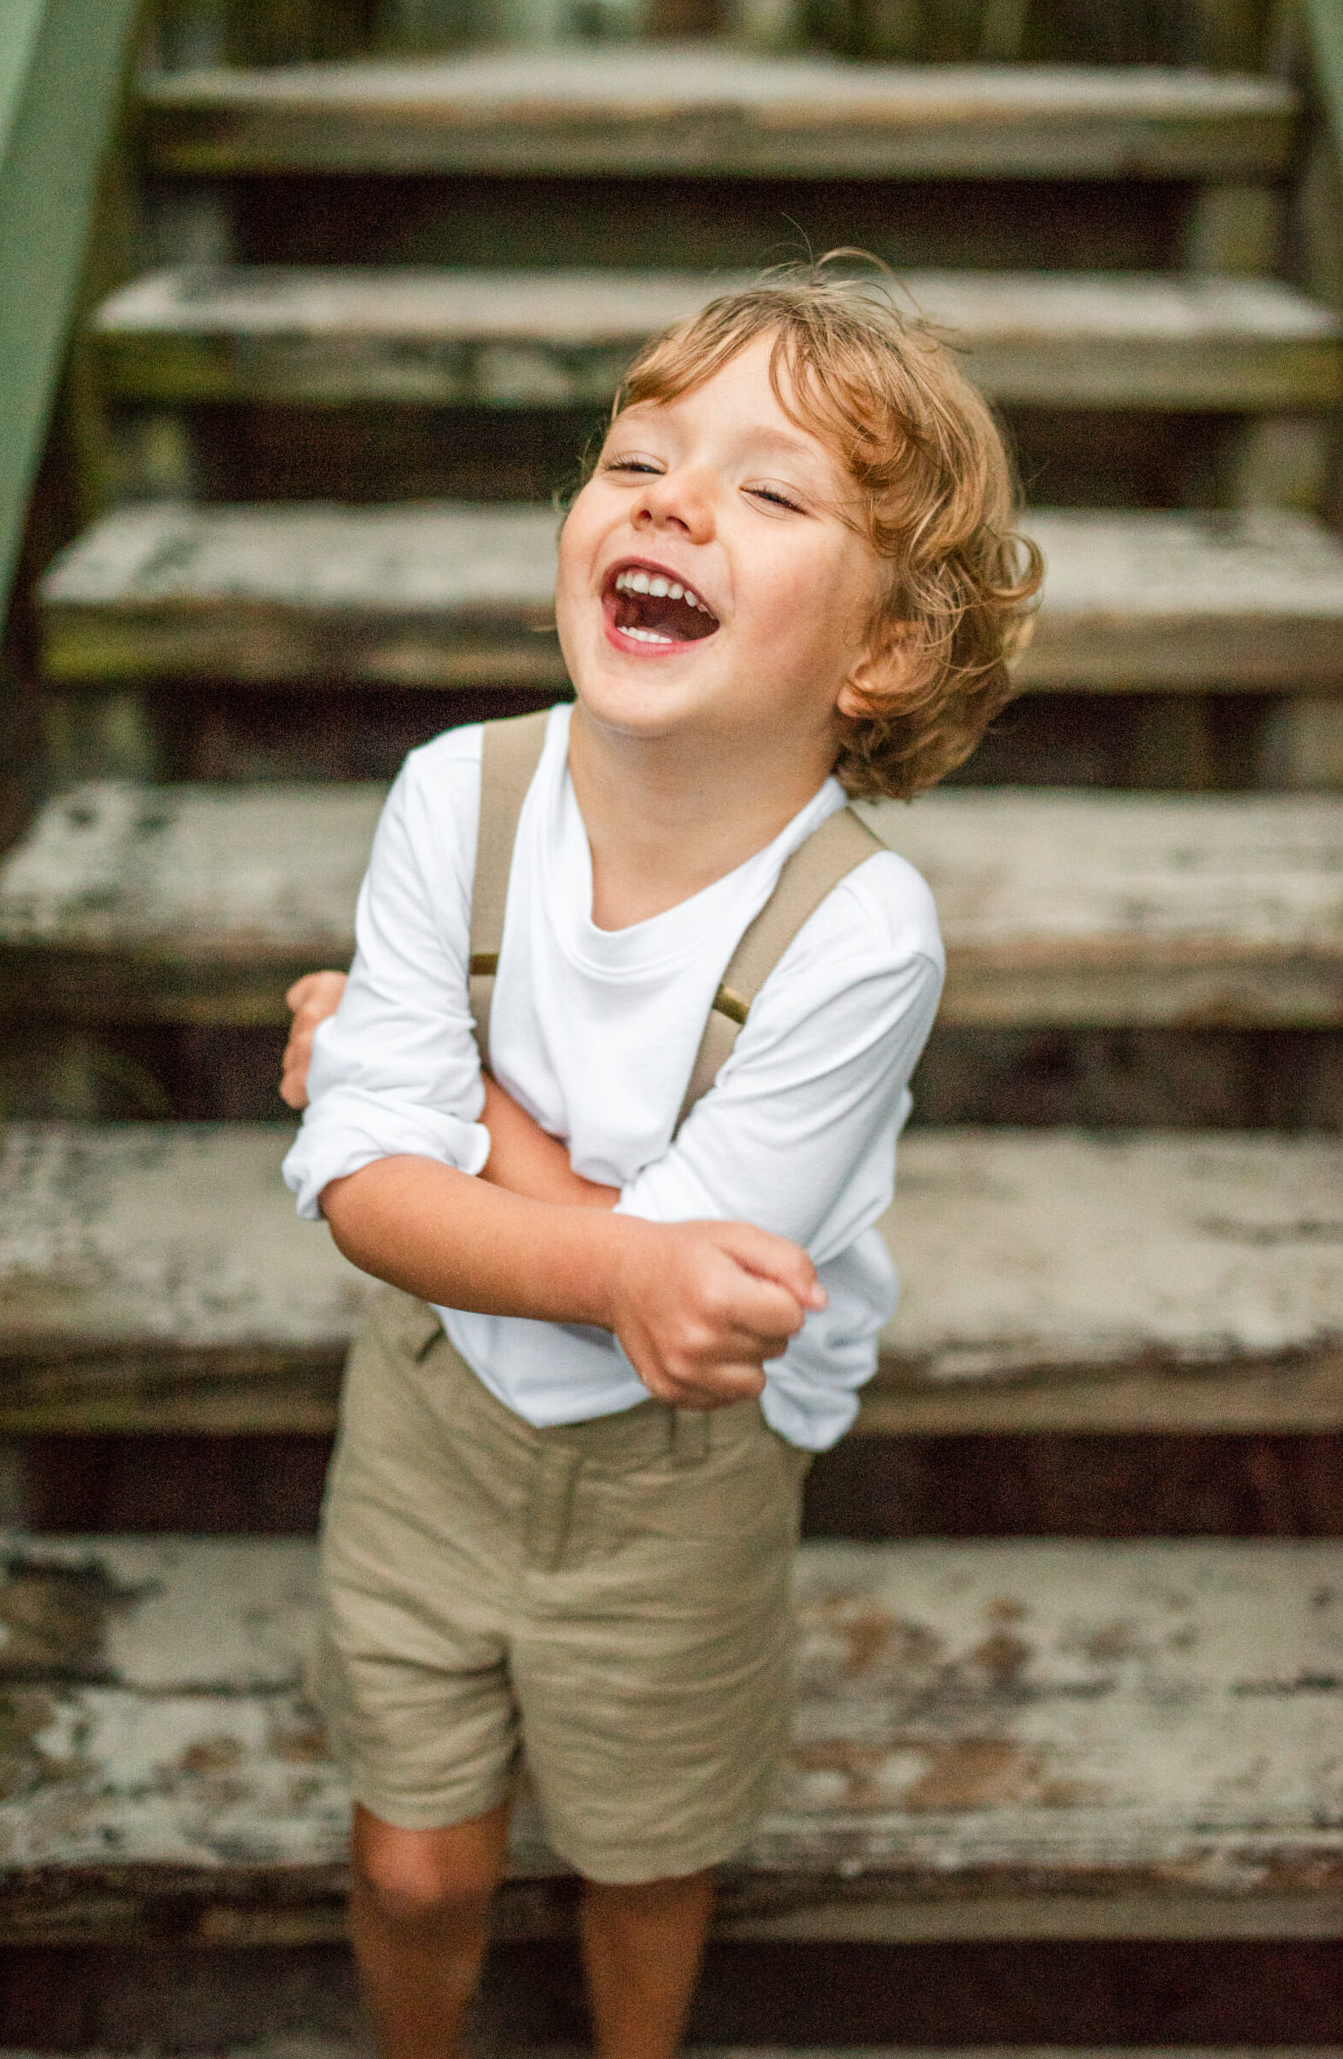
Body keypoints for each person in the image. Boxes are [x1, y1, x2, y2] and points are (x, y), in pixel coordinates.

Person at [279, 267, 1039, 2059]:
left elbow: (696, 1303)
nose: (672, 502)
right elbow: (360, 1199)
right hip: (430, 1415)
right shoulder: (451, 797)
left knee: (647, 1853)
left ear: (884, 653)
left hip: (684, 1481)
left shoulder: (862, 935)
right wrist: (589, 1241)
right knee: (410, 1865)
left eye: (770, 494)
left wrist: (456, 1117)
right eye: (635, 458)